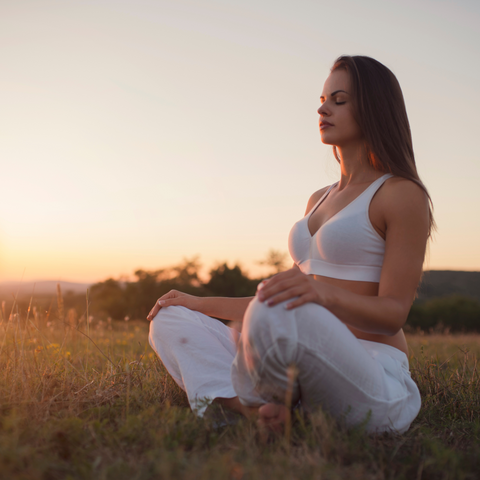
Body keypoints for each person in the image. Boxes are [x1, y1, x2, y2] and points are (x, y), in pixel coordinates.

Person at [147, 55, 434, 434]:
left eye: (339, 99)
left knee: (278, 313)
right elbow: (281, 302)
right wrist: (198, 304)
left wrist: (320, 294)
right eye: (323, 98)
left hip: (371, 377)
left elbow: (394, 312)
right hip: (297, 354)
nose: (322, 107)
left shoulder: (399, 193)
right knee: (170, 319)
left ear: (374, 107)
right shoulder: (318, 198)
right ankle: (255, 410)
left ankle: (260, 399)